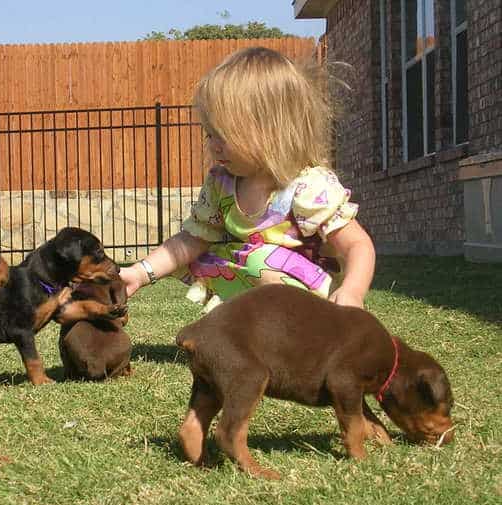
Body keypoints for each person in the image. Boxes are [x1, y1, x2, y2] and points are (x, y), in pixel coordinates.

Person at [120, 47, 375, 310]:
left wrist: (352, 293)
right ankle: (241, 332)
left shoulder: (308, 187)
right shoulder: (222, 184)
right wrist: (139, 273)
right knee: (201, 256)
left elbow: (357, 245)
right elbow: (190, 240)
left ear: (272, 130)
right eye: (210, 134)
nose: (214, 146)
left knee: (258, 259)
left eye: (224, 134)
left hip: (311, 309)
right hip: (256, 303)